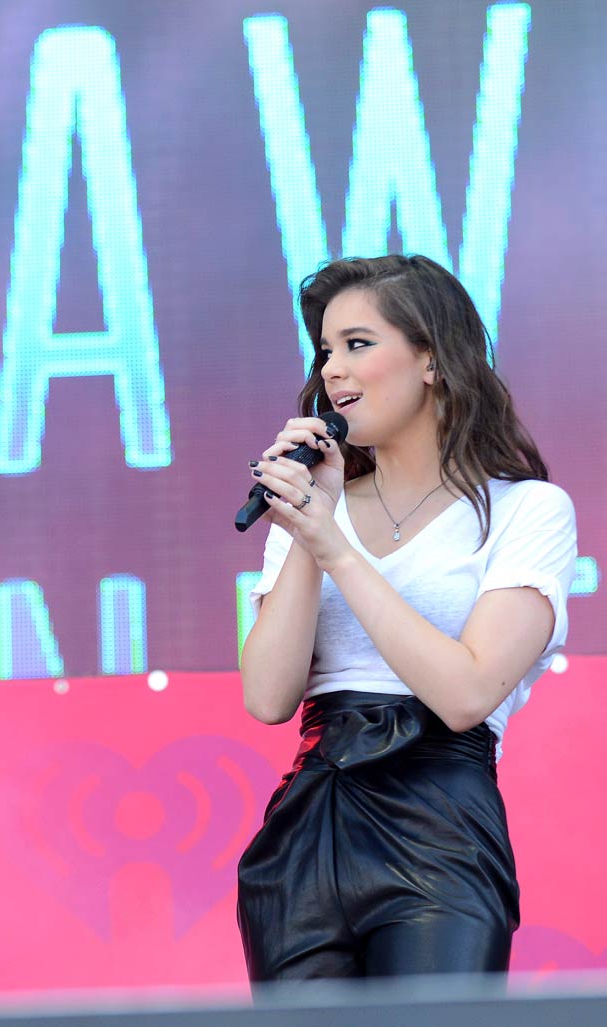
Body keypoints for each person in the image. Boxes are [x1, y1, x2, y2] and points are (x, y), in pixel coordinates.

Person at [235, 254, 576, 981]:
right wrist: (307, 529)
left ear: (429, 358)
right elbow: (267, 696)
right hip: (309, 823)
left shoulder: (526, 510)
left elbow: (464, 693)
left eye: (358, 344)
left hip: (440, 824)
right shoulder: (311, 516)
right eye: (326, 350)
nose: (332, 369)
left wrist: (337, 548)